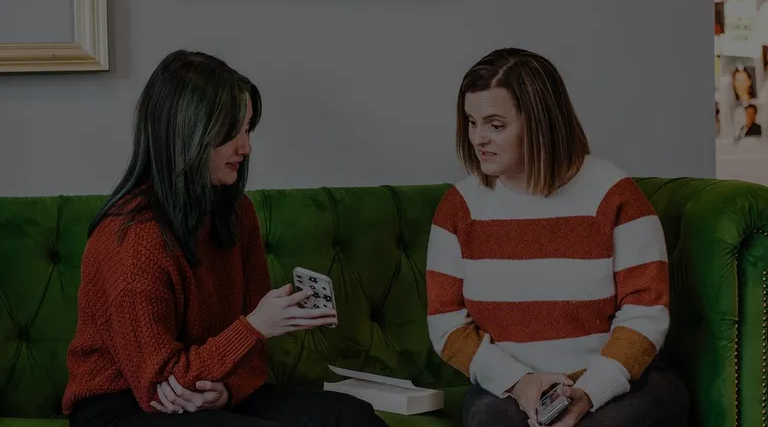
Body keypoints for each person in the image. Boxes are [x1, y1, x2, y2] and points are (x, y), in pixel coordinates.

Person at [62, 49, 389, 427]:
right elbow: (158, 388)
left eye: (247, 129)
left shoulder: (237, 213)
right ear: (187, 133)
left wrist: (229, 391)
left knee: (353, 417)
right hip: (123, 407)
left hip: (205, 385)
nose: (245, 147)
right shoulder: (135, 240)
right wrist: (253, 327)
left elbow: (252, 354)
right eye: (231, 131)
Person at [425, 47, 689, 427]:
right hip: (512, 389)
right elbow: (447, 324)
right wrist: (519, 383)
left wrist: (590, 391)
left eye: (495, 125)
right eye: (471, 122)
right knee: (489, 420)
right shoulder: (458, 208)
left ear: (540, 122)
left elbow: (645, 313)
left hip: (622, 384)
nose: (478, 138)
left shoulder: (615, 195)